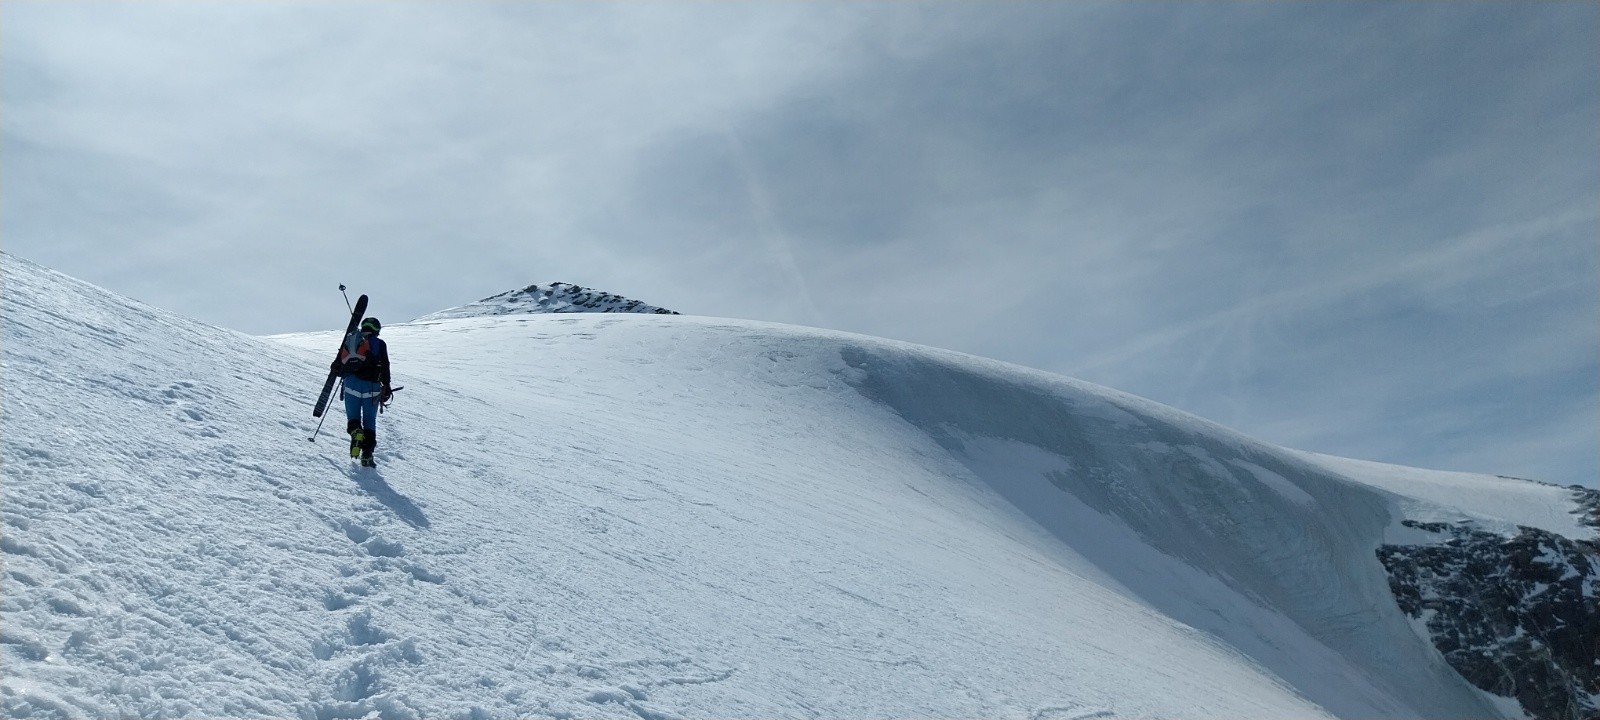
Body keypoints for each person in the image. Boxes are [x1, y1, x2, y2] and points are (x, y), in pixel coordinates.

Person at [334, 317, 393, 467]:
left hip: (351, 384)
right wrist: (387, 386)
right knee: (369, 422)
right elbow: (385, 366)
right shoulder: (380, 344)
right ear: (377, 330)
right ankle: (367, 455)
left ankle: (355, 432)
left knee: (353, 417)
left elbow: (337, 365)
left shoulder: (351, 339)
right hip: (372, 388)